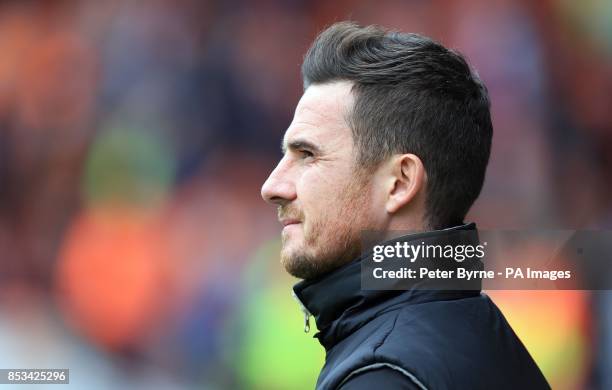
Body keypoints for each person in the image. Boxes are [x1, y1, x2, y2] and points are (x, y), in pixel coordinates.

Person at [260, 21, 549, 390]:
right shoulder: (482, 335)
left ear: (399, 183)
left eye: (307, 155)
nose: (273, 187)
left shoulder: (384, 375)